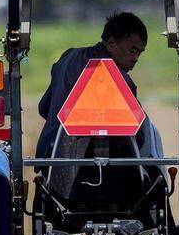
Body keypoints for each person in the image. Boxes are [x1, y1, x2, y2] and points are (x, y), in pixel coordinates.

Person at [36, 12, 151, 159]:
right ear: (110, 43)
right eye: (132, 50)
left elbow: (44, 108)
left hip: (50, 155)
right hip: (98, 166)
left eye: (139, 53)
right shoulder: (119, 79)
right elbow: (138, 133)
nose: (135, 59)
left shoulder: (67, 57)